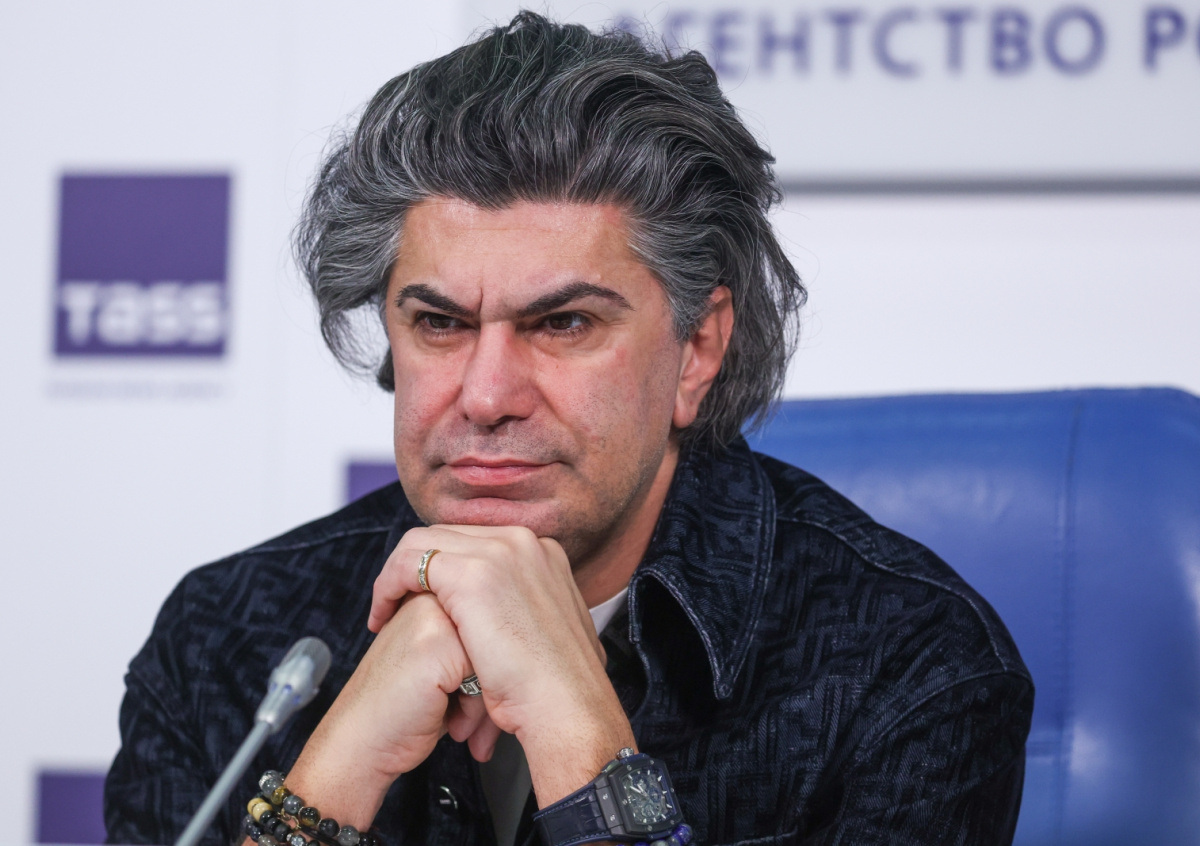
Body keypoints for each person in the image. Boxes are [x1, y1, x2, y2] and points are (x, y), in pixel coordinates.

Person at [105, 12, 1033, 846]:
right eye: (439, 323)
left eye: (563, 324)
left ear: (698, 348)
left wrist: (576, 735)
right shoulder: (227, 640)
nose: (485, 396)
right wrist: (332, 777)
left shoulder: (914, 667)